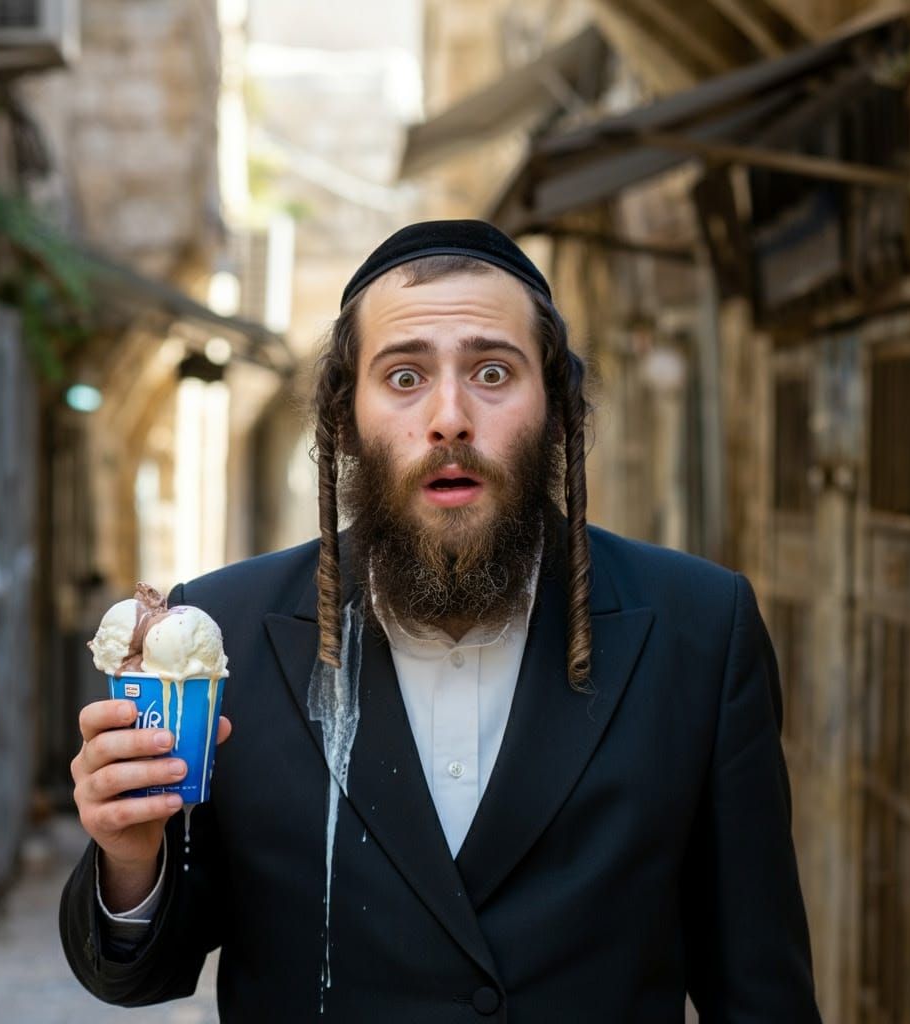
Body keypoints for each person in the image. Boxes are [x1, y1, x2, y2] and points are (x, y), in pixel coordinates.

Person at [60, 220, 823, 1022]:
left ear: (558, 411)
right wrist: (129, 855)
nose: (450, 417)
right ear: (345, 421)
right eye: (403, 378)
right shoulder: (223, 636)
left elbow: (760, 990)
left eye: (493, 372)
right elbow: (139, 974)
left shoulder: (699, 630)